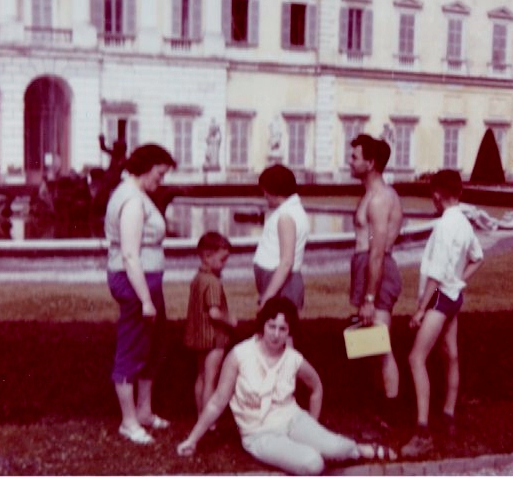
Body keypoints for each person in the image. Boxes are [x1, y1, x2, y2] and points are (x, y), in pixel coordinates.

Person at [177, 297, 396, 475]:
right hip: (259, 434)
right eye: (271, 326)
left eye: (282, 329)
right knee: (313, 464)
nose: (275, 334)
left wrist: (312, 423)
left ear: (289, 331)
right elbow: (217, 401)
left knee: (336, 448)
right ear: (263, 325)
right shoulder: (240, 355)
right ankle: (313, 450)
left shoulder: (293, 358)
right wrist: (192, 439)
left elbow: (316, 387)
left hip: (292, 420)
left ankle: (359, 450)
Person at [400, 170, 484, 458]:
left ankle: (423, 433)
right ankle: (448, 416)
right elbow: (478, 257)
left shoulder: (445, 226)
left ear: (437, 195)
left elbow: (435, 275)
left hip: (439, 298)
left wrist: (420, 311)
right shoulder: (464, 222)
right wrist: (458, 281)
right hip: (452, 297)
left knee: (416, 358)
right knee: (451, 355)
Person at [104, 143, 177, 445]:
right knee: (132, 347)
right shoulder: (132, 201)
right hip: (135, 283)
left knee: (154, 345)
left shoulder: (137, 194)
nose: (161, 180)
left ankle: (144, 412)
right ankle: (129, 421)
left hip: (146, 283)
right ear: (146, 169)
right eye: (159, 174)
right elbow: (130, 255)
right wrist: (145, 300)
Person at [348, 134, 404, 434]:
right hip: (367, 268)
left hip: (377, 272)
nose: (350, 162)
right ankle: (377, 410)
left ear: (370, 163)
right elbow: (370, 243)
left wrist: (370, 298)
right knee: (369, 343)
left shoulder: (381, 198)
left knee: (381, 346)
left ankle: (391, 416)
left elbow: (378, 251)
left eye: (355, 157)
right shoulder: (371, 195)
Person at [184, 231, 237, 419]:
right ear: (207, 257)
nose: (225, 264)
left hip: (200, 336)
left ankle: (200, 414)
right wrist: (230, 320)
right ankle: (209, 419)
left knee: (201, 376)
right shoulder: (213, 282)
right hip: (214, 338)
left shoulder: (197, 279)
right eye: (222, 260)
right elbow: (214, 312)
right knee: (211, 380)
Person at [252, 164, 309, 312]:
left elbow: (286, 262)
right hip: (278, 282)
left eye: (265, 191)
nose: (264, 196)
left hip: (282, 284)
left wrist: (267, 297)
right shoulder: (291, 211)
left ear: (274, 191)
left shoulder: (286, 217)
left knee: (279, 322)